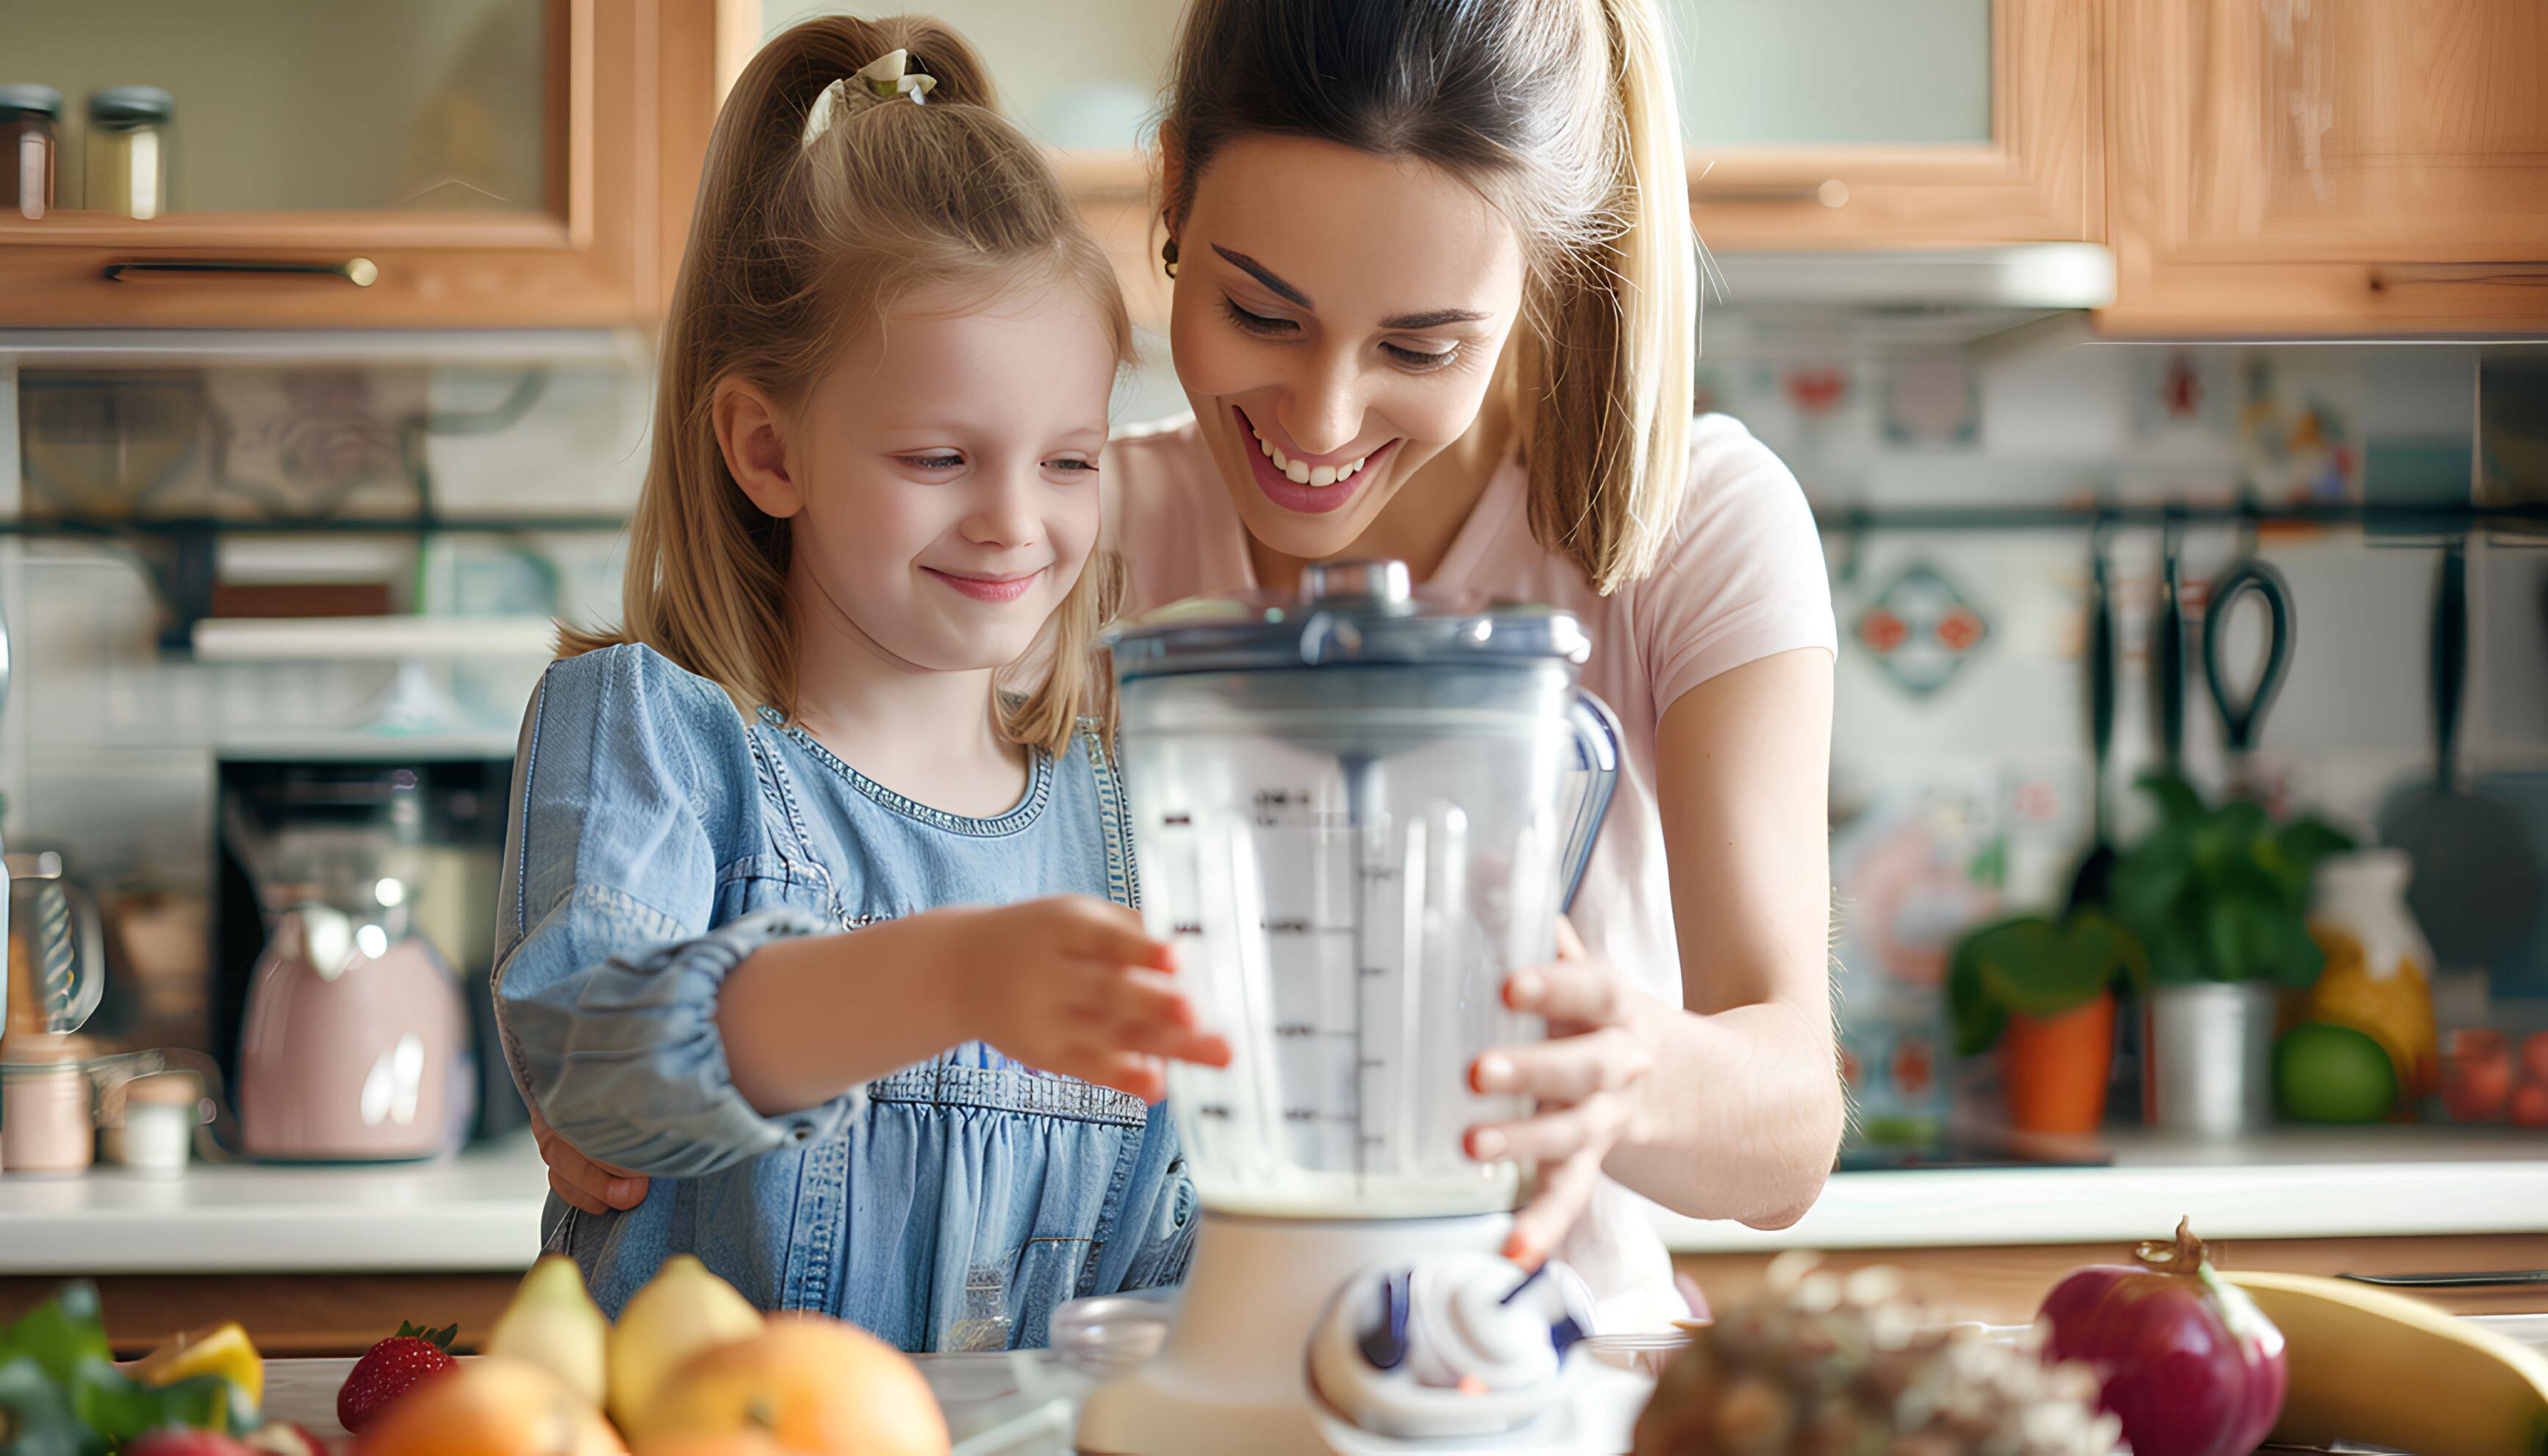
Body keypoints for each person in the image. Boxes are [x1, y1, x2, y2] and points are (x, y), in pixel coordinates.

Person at [542, 0, 1844, 1335]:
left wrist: (1623, 1072)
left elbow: (1790, 1132)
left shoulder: (1695, 528)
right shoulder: (1061, 536)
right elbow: (792, 800)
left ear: (1540, 280)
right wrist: (638, 1033)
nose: (1324, 420)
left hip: (1539, 1359)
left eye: (1420, 345)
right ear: (1169, 191)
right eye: (1259, 311)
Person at [492, 15, 1230, 1352]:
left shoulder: (1118, 808)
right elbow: (595, 1076)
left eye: (1069, 460)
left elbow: (1168, 1251)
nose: (1017, 522)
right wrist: (953, 974)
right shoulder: (655, 736)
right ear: (767, 451)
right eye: (941, 459)